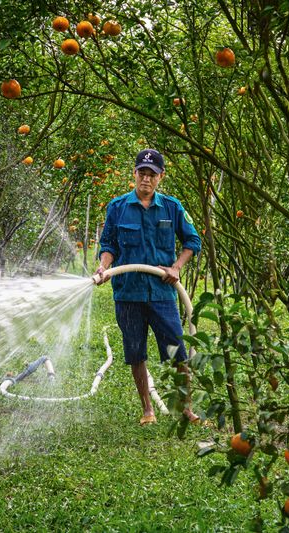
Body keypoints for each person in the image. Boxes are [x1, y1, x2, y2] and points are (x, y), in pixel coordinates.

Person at [93, 149, 201, 425]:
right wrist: (104, 267)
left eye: (152, 175)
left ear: (160, 177)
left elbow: (193, 241)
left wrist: (176, 267)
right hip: (128, 293)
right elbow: (109, 245)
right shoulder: (117, 207)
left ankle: (185, 408)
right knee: (135, 352)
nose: (146, 179)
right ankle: (147, 409)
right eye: (142, 173)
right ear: (134, 174)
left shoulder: (172, 207)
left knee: (177, 351)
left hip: (161, 293)